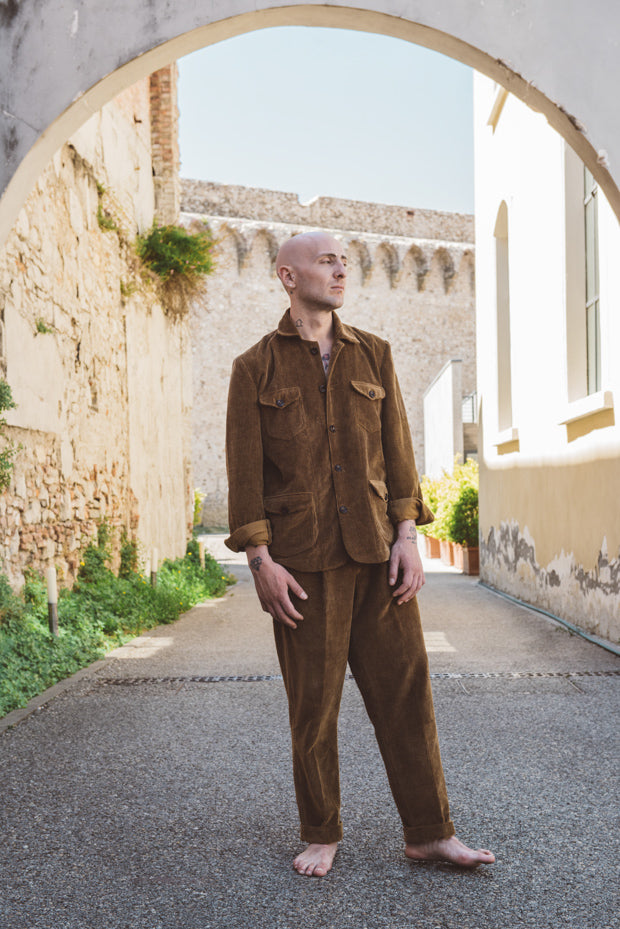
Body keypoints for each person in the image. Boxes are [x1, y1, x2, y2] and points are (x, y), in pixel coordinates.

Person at [225, 230, 495, 877]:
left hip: (378, 554)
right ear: (289, 276)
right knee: (313, 704)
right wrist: (260, 561)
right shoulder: (253, 367)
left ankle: (429, 832)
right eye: (326, 260)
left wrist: (409, 537)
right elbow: (245, 473)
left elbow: (399, 453)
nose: (342, 268)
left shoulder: (374, 354)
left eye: (344, 259)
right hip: (303, 566)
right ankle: (322, 830)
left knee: (407, 692)